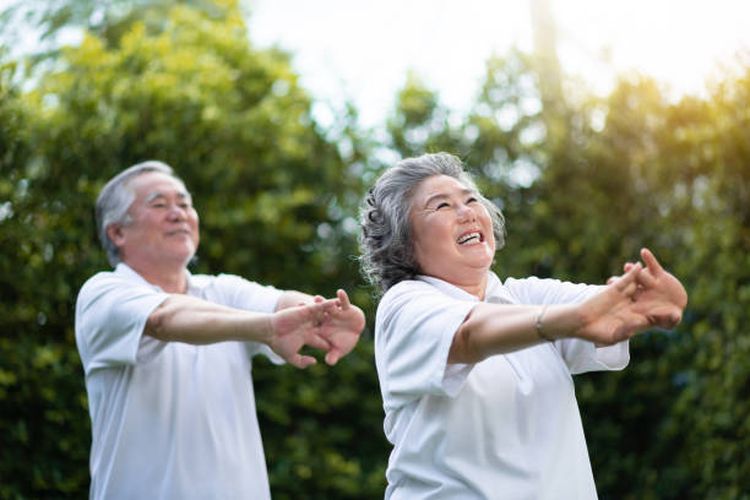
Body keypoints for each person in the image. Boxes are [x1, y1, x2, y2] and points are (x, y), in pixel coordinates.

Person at [359, 152, 687, 499]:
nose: (467, 211)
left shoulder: (524, 294)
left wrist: (648, 297)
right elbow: (470, 334)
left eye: (471, 199)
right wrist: (571, 320)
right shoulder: (405, 305)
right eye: (441, 206)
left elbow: (607, 307)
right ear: (404, 243)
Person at [75, 160, 365, 499]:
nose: (178, 213)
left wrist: (325, 313)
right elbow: (164, 318)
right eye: (159, 204)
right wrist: (267, 328)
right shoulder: (103, 293)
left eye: (184, 203)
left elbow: (284, 305)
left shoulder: (223, 290)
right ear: (117, 232)